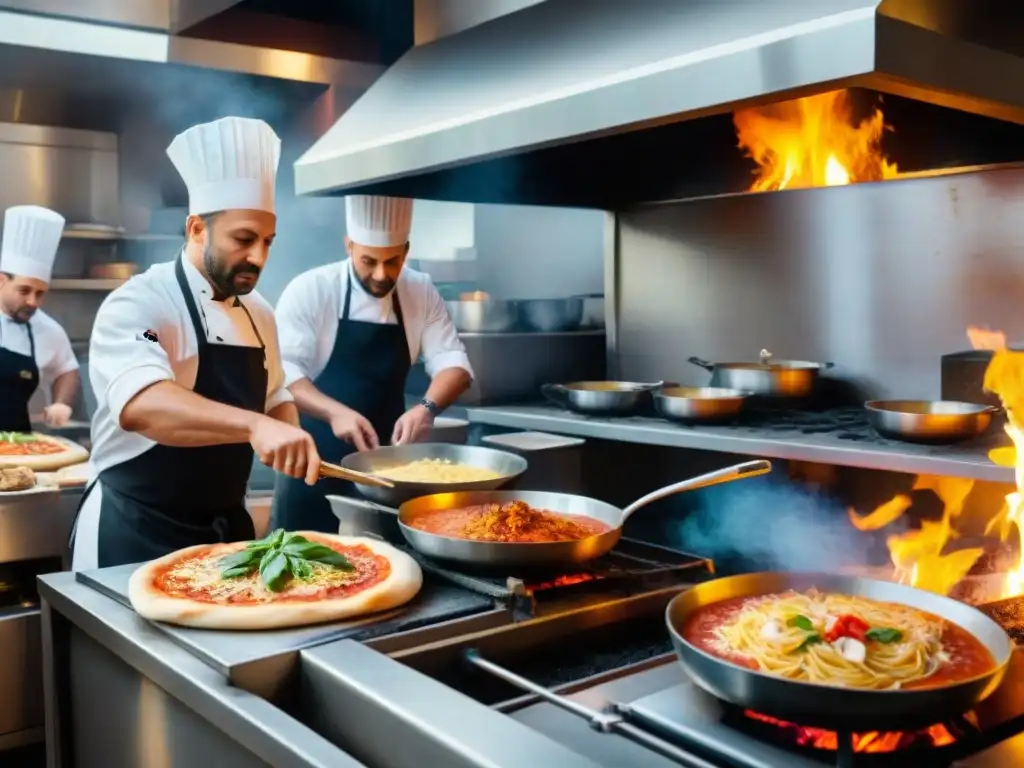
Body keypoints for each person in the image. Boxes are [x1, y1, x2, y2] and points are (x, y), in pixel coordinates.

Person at [70, 116, 319, 571]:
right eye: (243, 239)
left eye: (267, 241)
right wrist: (254, 427)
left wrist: (289, 430)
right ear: (196, 229)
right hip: (134, 533)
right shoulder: (140, 304)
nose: (258, 257)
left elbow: (275, 394)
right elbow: (143, 403)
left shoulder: (260, 312)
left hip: (225, 542)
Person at [271, 195, 473, 532]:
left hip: (386, 473)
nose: (381, 274)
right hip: (313, 465)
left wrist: (426, 408)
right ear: (349, 245)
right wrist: (335, 412)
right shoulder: (312, 289)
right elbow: (281, 373)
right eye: (369, 260)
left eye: (392, 261)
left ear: (406, 251)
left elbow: (454, 363)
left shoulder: (419, 290)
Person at [0, 205, 79, 431]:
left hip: (18, 445)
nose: (33, 302)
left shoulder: (48, 330)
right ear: (1, 281)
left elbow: (66, 368)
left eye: (40, 293)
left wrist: (62, 404)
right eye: (24, 291)